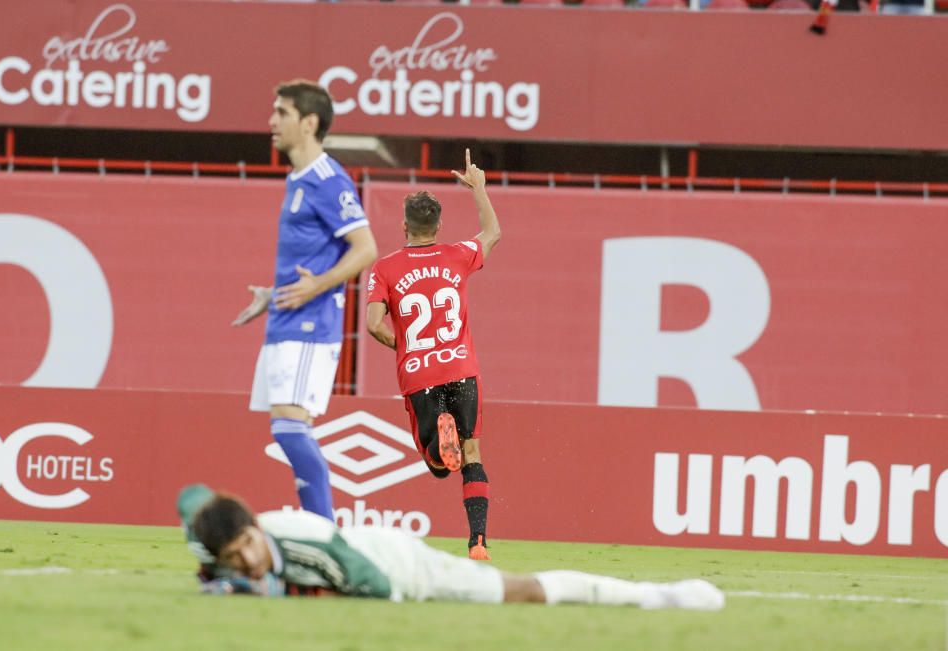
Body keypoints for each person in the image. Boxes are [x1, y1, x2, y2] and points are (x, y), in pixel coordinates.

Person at [177, 484, 726, 610]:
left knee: (521, 592)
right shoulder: (222, 551)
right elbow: (192, 502)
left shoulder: (310, 543)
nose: (246, 561)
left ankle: (654, 596)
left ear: (257, 527)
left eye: (248, 546)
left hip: (400, 565)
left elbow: (377, 590)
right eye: (233, 560)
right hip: (372, 563)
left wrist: (275, 593)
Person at [232, 80, 378, 521]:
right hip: (286, 319)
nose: (271, 122)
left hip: (310, 325)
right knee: (288, 430)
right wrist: (272, 295)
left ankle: (325, 533)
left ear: (309, 122)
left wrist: (317, 287)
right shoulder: (297, 178)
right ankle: (320, 530)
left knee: (290, 430)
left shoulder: (327, 179)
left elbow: (366, 247)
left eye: (282, 112)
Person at [364, 149, 500, 560]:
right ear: (438, 225)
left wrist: (402, 345)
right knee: (472, 452)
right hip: (461, 367)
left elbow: (372, 324)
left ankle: (440, 441)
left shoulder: (385, 268)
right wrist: (478, 187)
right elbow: (492, 232)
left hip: (418, 372)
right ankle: (478, 542)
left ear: (405, 225)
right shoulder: (458, 255)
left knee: (440, 467)